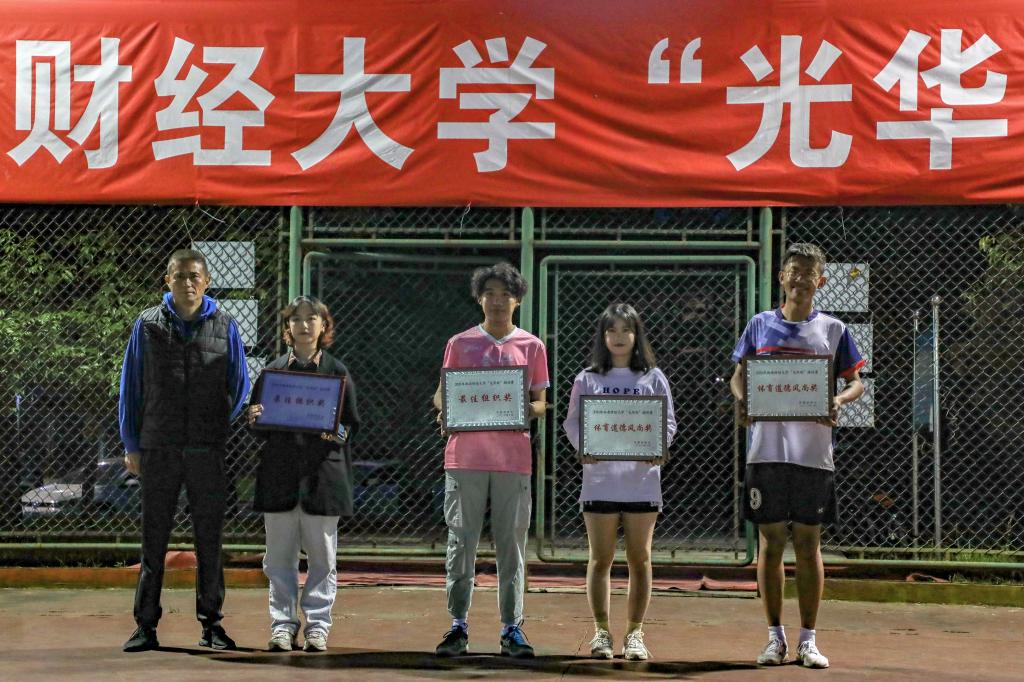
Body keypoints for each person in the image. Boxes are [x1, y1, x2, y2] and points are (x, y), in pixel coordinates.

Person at [730, 242, 864, 669]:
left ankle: (808, 639)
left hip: (813, 453)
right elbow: (738, 376)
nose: (800, 278)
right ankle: (775, 638)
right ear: (782, 278)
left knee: (808, 544)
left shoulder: (834, 329)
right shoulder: (759, 325)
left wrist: (839, 400)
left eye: (809, 272)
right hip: (766, 451)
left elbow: (856, 382)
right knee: (770, 544)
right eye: (794, 270)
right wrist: (745, 400)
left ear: (820, 281)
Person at [119, 248, 250, 652]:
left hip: (206, 449)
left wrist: (216, 421)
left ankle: (212, 624)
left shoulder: (225, 325)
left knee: (209, 541)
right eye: (180, 276)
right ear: (168, 281)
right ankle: (145, 626)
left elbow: (240, 385)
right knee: (153, 540)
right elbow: (131, 387)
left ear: (206, 282)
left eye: (195, 276)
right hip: (159, 446)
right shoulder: (147, 324)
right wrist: (132, 444)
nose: (188, 283)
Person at [432, 263, 549, 659]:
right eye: (490, 293)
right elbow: (443, 393)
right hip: (464, 458)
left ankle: (511, 627)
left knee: (511, 545)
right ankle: (457, 626)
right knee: (461, 541)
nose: (498, 301)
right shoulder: (460, 343)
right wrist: (446, 410)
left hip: (513, 460)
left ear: (518, 300)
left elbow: (540, 401)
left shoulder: (532, 346)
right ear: (479, 298)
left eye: (506, 294)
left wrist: (525, 409)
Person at [563, 303, 677, 661]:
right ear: (602, 336)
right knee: (600, 559)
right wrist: (583, 447)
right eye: (611, 330)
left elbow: (668, 422)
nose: (618, 337)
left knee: (640, 558)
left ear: (636, 334)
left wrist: (659, 446)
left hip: (641, 481)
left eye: (626, 329)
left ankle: (634, 634)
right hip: (600, 480)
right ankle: (601, 632)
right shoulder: (587, 378)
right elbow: (572, 422)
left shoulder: (653, 377)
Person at [246, 296, 360, 653]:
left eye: (312, 318)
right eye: (297, 319)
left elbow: (351, 426)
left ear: (324, 326)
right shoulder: (272, 372)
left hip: (321, 479)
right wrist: (254, 418)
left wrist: (335, 431)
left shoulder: (338, 372)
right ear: (287, 328)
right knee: (279, 560)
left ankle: (317, 627)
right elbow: (259, 425)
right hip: (280, 477)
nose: (305, 325)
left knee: (322, 560)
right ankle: (282, 626)